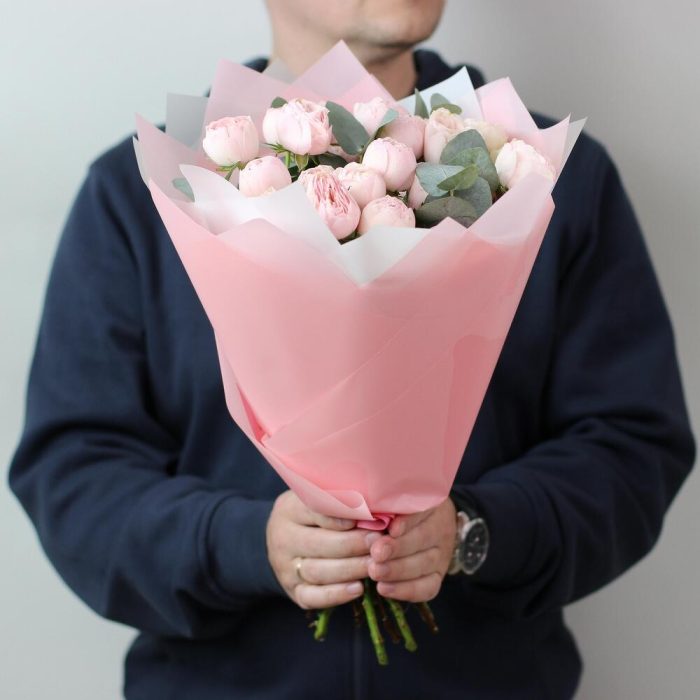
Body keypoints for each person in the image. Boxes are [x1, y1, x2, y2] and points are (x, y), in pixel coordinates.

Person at [8, 1, 695, 698]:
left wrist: (476, 530)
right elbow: (74, 475)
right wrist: (242, 543)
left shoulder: (543, 179)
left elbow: (633, 445)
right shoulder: (144, 194)